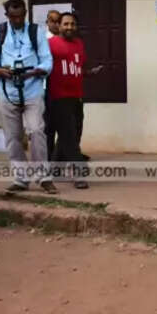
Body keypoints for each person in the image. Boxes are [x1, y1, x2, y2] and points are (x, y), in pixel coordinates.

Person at [0, 0, 57, 194]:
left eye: (21, 16)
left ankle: (44, 177)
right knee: (13, 137)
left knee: (37, 131)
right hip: (6, 91)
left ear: (26, 13)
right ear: (7, 15)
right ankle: (21, 179)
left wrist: (34, 71)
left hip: (32, 89)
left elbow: (47, 61)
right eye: (13, 16)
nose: (17, 20)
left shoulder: (36, 32)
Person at [48, 12, 103, 189]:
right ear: (59, 26)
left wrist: (89, 73)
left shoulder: (79, 44)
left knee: (73, 133)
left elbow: (77, 68)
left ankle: (55, 168)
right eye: (65, 24)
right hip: (58, 97)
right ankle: (78, 174)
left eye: (72, 24)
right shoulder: (50, 44)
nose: (69, 27)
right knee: (70, 136)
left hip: (76, 97)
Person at [43, 9, 61, 160]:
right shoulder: (42, 40)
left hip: (62, 89)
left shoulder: (65, 40)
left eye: (57, 21)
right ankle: (48, 158)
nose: (55, 24)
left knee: (65, 127)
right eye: (52, 20)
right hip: (45, 89)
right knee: (48, 127)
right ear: (47, 22)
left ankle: (59, 157)